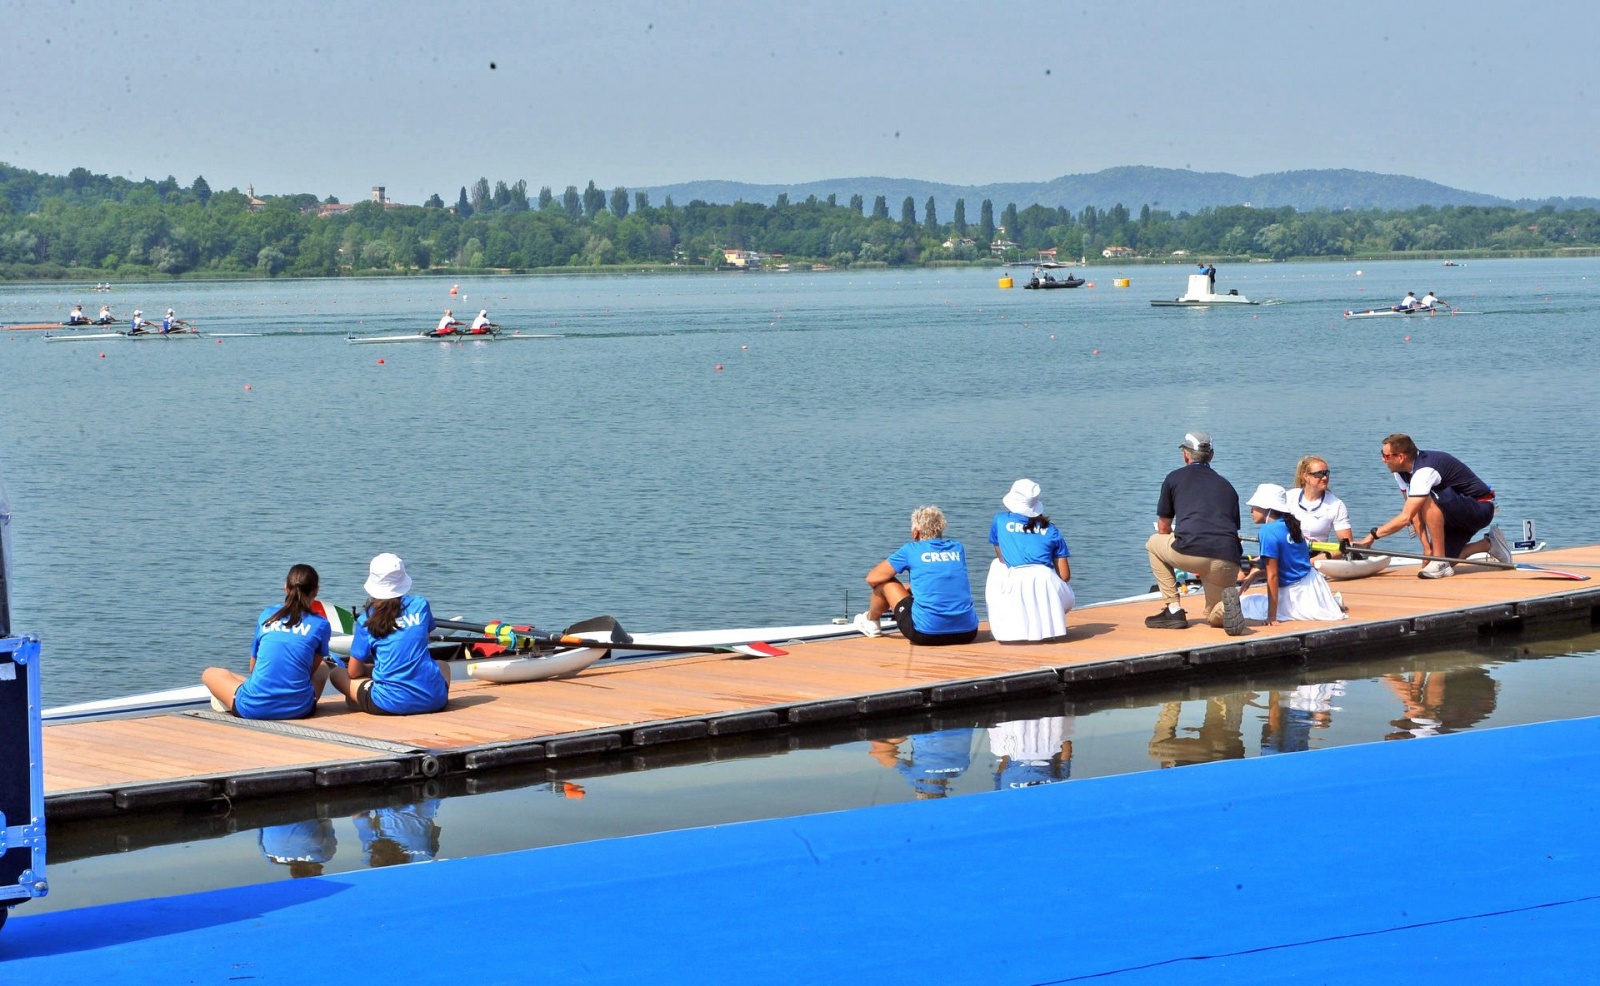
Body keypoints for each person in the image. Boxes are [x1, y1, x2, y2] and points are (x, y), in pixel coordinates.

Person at [1352, 433, 1511, 578]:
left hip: (1481, 508)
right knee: (1445, 560)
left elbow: (1405, 516)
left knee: (1427, 498)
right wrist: (1427, 548)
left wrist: (1371, 537)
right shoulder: (1400, 473)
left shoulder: (1424, 471)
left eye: (1385, 456)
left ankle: (1439, 560)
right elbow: (1413, 513)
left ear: (1400, 457)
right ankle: (1488, 544)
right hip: (1454, 512)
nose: (1383, 460)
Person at [1145, 431, 1246, 634]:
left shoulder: (1174, 478)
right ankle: (1225, 606)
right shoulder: (1227, 486)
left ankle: (1173, 610)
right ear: (1212, 455)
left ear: (1185, 455)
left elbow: (1164, 528)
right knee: (1213, 615)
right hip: (1227, 557)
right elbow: (1232, 530)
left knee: (1153, 543)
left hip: (1191, 551)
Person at [201, 564, 334, 719]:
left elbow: (253, 668)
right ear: (316, 590)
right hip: (299, 709)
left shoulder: (268, 615)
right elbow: (310, 671)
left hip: (252, 708)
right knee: (324, 667)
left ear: (286, 588)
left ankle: (243, 694)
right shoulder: (321, 624)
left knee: (210, 673)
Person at [331, 553, 451, 714]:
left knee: (337, 674)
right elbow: (425, 638)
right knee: (443, 665)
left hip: (389, 703)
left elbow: (353, 671)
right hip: (435, 701)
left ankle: (360, 699)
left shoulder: (367, 618)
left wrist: (369, 670)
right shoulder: (420, 604)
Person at [854, 505, 979, 646]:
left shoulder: (911, 550)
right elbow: (941, 578)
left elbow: (872, 578)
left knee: (885, 582)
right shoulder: (957, 548)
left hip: (925, 633)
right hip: (967, 633)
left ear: (916, 532)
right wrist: (914, 588)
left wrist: (896, 592)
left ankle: (871, 623)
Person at [1237, 484, 1344, 625]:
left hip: (1294, 597)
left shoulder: (1268, 531)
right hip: (1314, 588)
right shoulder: (1292, 525)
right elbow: (1290, 567)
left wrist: (1271, 617)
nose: (1251, 511)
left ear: (1267, 507)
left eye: (1254, 506)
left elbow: (1273, 576)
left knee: (1241, 604)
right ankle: (1328, 604)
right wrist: (1256, 575)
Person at [984, 478, 1075, 642]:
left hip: (1016, 582)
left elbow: (1002, 558)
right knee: (1051, 582)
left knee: (996, 566)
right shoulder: (1052, 530)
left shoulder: (1000, 520)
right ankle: (1046, 623)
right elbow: (1065, 576)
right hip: (1045, 581)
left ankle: (1001, 626)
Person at [1286, 455, 1353, 547]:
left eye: (1326, 473)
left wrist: (1316, 559)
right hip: (1289, 552)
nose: (1325, 478)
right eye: (1319, 474)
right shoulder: (1288, 498)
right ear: (1305, 476)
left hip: (1317, 555)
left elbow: (1348, 545)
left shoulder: (1336, 505)